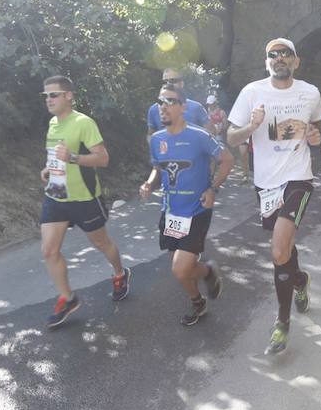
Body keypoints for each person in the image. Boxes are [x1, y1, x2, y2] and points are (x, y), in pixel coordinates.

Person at [226, 37, 321, 355]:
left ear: (297, 61)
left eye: (286, 54)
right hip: (266, 184)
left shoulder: (310, 93)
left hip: (298, 178)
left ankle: (282, 324)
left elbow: (318, 131)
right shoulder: (251, 92)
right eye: (273, 54)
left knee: (278, 248)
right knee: (284, 252)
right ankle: (300, 280)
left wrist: (315, 136)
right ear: (266, 61)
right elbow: (230, 137)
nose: (279, 58)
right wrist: (251, 126)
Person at [40, 75, 131, 329]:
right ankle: (68, 298)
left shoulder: (83, 122)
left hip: (84, 198)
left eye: (54, 94)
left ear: (68, 95)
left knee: (101, 243)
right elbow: (57, 156)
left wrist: (73, 158)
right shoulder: (52, 124)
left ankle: (120, 274)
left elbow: (102, 159)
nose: (49, 99)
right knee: (48, 250)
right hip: (56, 196)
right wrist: (48, 169)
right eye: (46, 95)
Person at [140, 85, 234, 325]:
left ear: (183, 107)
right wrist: (150, 184)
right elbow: (158, 168)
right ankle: (202, 288)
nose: (163, 106)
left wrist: (212, 189)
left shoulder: (198, 135)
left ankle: (203, 285)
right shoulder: (157, 139)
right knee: (181, 266)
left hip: (197, 210)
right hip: (171, 212)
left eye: (170, 101)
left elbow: (226, 159)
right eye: (160, 101)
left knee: (180, 269)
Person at [147, 67, 208, 140]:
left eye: (172, 80)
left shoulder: (196, 107)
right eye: (165, 82)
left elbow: (211, 133)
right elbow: (151, 135)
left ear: (181, 84)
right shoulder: (154, 110)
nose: (168, 84)